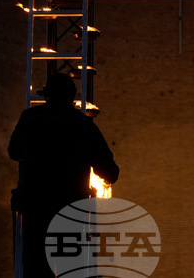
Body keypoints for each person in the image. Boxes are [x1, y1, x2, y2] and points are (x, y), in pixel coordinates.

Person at [8, 72, 119, 278]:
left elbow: (13, 152)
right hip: (69, 211)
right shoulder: (85, 125)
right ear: (72, 98)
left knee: (35, 267)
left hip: (35, 207)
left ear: (46, 96)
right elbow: (110, 171)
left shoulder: (30, 118)